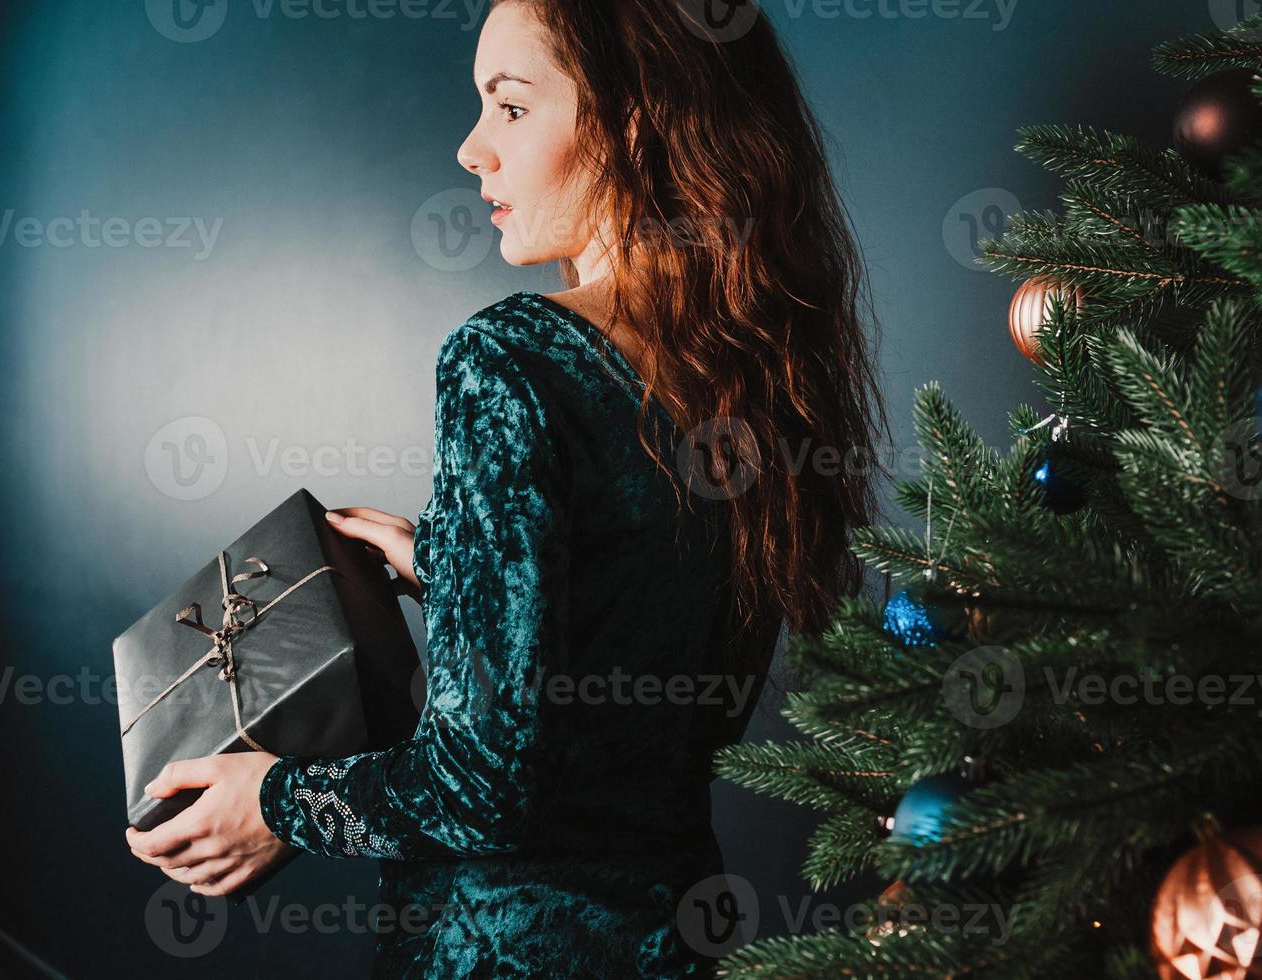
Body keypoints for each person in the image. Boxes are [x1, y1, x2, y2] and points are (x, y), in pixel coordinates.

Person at [126, 1, 888, 975]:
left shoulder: (513, 361)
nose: (471, 148)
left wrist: (273, 799)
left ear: (634, 122)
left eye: (512, 108)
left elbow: (481, 786)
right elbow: (658, 680)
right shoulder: (752, 363)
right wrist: (455, 563)